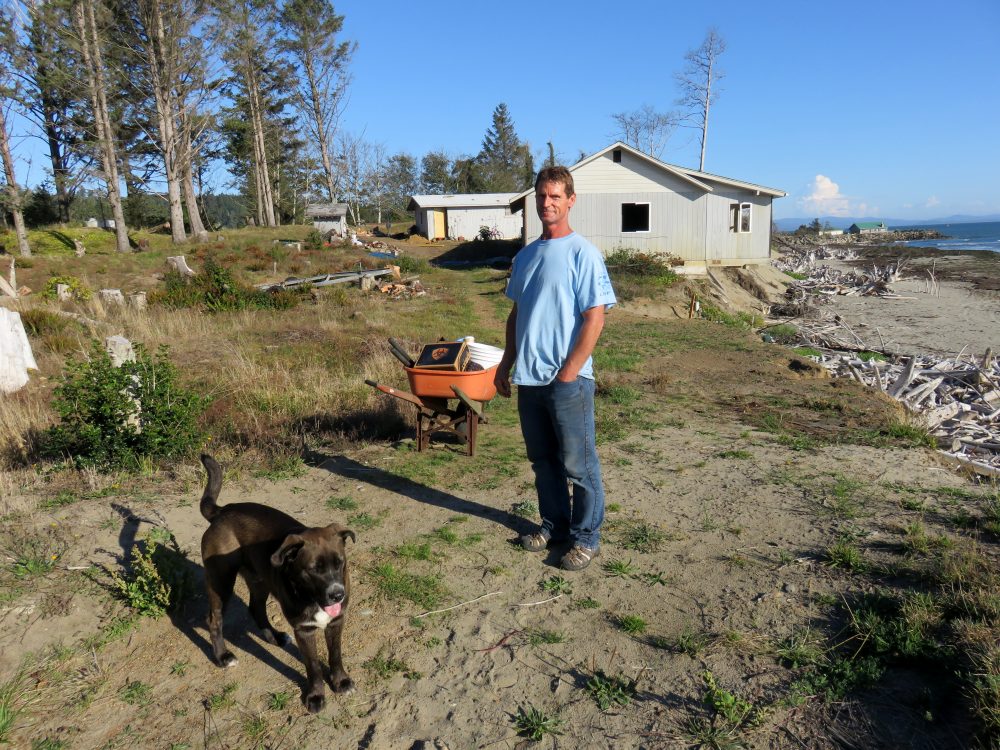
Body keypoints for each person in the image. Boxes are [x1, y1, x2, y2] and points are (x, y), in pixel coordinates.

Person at [495, 166, 617, 571]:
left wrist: (570, 371)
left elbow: (594, 318)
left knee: (579, 466)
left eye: (555, 196)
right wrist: (505, 365)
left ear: (570, 200)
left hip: (567, 381)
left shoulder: (584, 253)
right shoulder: (526, 255)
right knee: (543, 462)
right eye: (541, 196)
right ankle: (555, 525)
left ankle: (586, 538)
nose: (546, 203)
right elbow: (517, 315)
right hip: (529, 379)